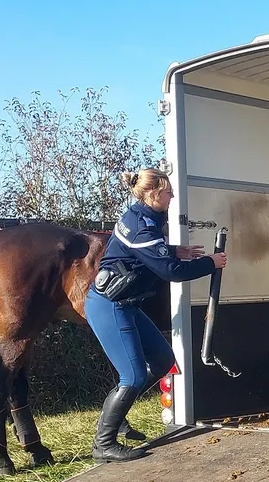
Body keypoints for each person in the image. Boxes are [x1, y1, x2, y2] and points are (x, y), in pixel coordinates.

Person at [84, 168, 228, 462]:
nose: (172, 196)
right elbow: (170, 272)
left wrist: (176, 250)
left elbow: (144, 255)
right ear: (153, 193)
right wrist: (210, 263)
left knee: (162, 360)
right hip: (109, 306)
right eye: (168, 192)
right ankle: (103, 444)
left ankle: (117, 413)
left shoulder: (141, 216)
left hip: (126, 304)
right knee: (134, 376)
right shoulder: (142, 226)